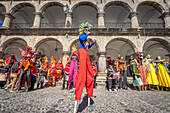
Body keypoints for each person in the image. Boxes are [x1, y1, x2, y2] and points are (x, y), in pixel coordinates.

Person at [75, 22, 96, 101]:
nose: (87, 31)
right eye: (86, 30)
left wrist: (93, 43)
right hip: (82, 51)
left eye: (87, 30)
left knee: (88, 68)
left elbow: (88, 47)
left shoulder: (86, 39)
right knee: (83, 67)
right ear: (83, 30)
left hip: (86, 52)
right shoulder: (81, 35)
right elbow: (82, 39)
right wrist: (87, 34)